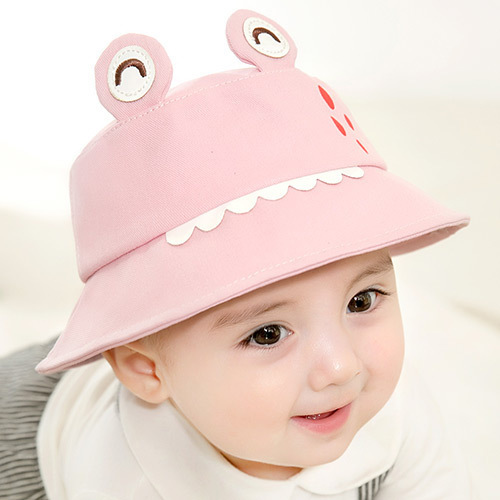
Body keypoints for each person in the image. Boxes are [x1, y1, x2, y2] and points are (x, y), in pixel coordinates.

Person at [0, 9, 472, 499]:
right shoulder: (127, 481)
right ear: (148, 371)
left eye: (361, 301)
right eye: (268, 334)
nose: (341, 367)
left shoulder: (395, 411)